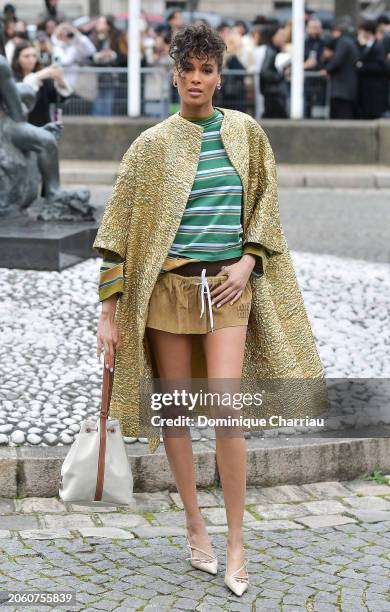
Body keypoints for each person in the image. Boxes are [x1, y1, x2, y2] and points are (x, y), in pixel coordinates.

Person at [93, 22, 325, 598]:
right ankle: (195, 523)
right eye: (187, 69)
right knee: (176, 411)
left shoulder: (247, 135)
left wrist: (249, 261)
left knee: (226, 409)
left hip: (228, 290)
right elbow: (118, 234)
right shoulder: (150, 145)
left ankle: (238, 542)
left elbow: (266, 211)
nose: (196, 79)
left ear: (220, 76)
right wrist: (108, 314)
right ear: (174, 73)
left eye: (206, 70)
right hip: (169, 291)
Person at [12, 41, 72, 126]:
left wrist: (60, 80)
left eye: (34, 56)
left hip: (42, 126)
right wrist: (39, 75)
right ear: (17, 58)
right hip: (21, 127)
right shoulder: (12, 78)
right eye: (26, 56)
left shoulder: (43, 78)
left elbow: (59, 98)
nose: (31, 60)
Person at [320, 18, 360, 119]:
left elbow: (337, 60)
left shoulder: (343, 42)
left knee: (341, 117)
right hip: (347, 88)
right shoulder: (350, 41)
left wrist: (327, 69)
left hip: (341, 89)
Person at [355, 20, 390, 119]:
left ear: (368, 32)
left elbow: (382, 66)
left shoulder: (379, 46)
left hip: (375, 91)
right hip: (365, 91)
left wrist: (362, 67)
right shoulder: (362, 45)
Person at [260, 23, 290, 118]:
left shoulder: (274, 51)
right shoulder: (271, 52)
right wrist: (281, 75)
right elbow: (264, 72)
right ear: (273, 36)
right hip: (274, 96)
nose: (283, 38)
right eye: (280, 35)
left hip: (274, 94)